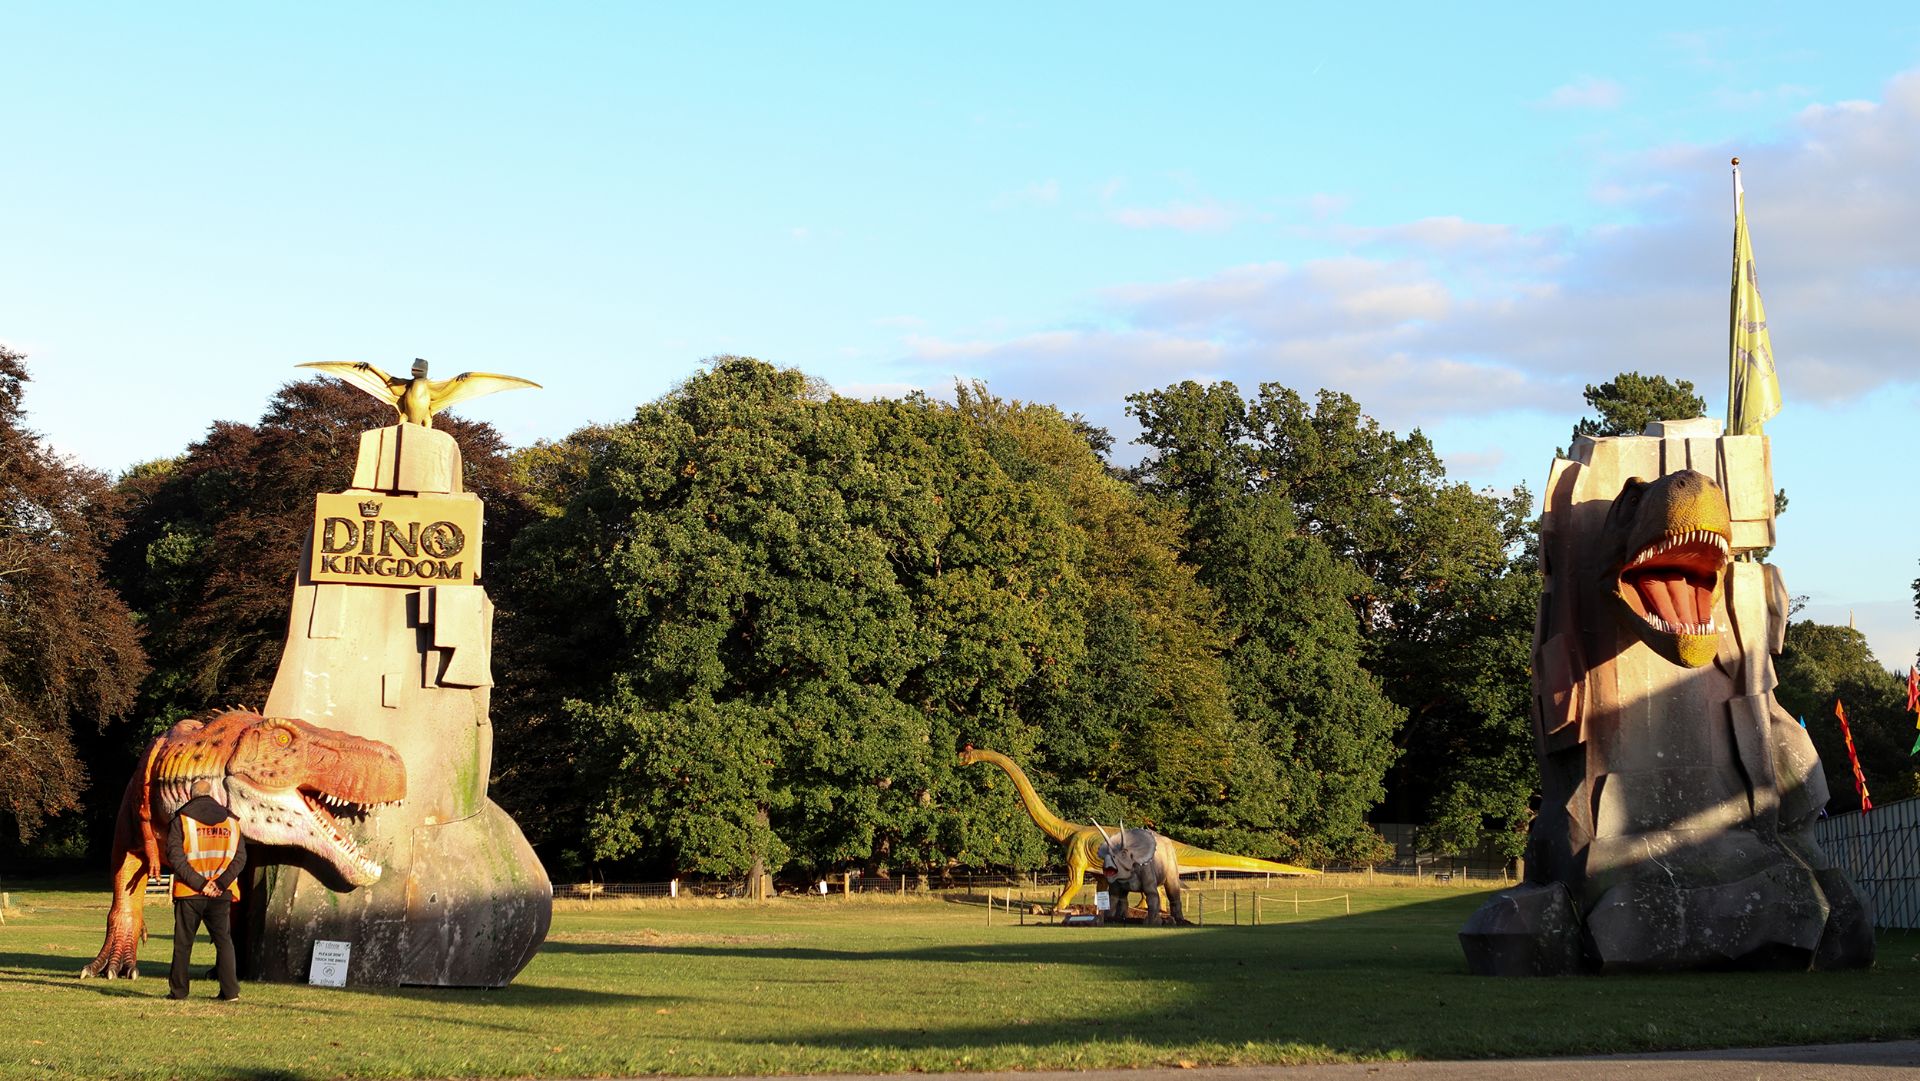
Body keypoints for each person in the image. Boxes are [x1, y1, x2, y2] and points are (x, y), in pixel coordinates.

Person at [165, 779, 246, 1001]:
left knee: (183, 944)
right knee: (223, 942)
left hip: (189, 892)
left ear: (191, 795)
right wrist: (219, 884)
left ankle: (179, 992)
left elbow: (175, 857)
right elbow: (240, 858)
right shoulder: (232, 821)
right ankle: (230, 991)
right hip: (221, 893)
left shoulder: (181, 820)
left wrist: (201, 884)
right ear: (213, 794)